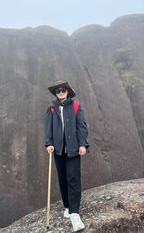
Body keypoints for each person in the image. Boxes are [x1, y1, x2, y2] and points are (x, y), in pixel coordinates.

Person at [45, 80, 89, 232]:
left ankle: (75, 213)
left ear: (68, 91)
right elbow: (48, 127)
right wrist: (48, 143)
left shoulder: (76, 106)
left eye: (63, 90)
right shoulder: (52, 108)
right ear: (56, 93)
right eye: (58, 91)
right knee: (62, 178)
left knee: (73, 178)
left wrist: (82, 144)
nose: (61, 92)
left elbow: (82, 126)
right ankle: (67, 206)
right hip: (57, 149)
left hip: (73, 149)